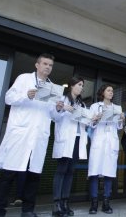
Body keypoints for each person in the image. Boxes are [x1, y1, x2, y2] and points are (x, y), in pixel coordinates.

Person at [0, 53, 64, 217]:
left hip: (39, 136)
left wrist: (59, 108)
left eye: (50, 65)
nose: (47, 67)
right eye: (45, 64)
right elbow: (8, 98)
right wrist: (26, 95)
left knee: (34, 175)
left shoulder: (54, 89)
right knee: (9, 173)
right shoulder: (24, 79)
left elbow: (55, 116)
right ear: (37, 65)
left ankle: (28, 210)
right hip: (21, 133)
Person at [52, 77, 88, 217]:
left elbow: (85, 123)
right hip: (66, 140)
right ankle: (56, 204)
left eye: (82, 85)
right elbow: (54, 116)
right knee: (61, 170)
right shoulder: (62, 99)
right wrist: (60, 108)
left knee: (70, 172)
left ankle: (65, 202)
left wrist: (92, 119)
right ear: (72, 86)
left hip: (78, 140)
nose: (81, 87)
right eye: (79, 84)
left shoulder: (82, 104)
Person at [88, 84, 124, 214]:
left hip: (111, 142)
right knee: (94, 172)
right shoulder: (94, 106)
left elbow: (119, 127)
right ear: (102, 92)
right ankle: (94, 203)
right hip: (98, 141)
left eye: (112, 91)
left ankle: (106, 203)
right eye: (109, 90)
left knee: (109, 172)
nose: (111, 93)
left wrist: (121, 119)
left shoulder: (117, 108)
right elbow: (90, 124)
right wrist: (95, 118)